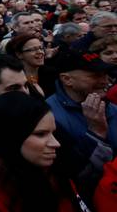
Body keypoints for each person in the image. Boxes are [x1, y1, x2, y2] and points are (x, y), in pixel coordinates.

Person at [0, 91, 91, 212]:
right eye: (41, 134)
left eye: (53, 133)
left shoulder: (55, 171)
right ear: (10, 138)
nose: (56, 143)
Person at [46, 49, 117, 201]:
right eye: (95, 76)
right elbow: (72, 175)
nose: (105, 81)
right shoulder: (49, 116)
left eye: (105, 74)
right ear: (67, 79)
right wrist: (96, 134)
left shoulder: (111, 107)